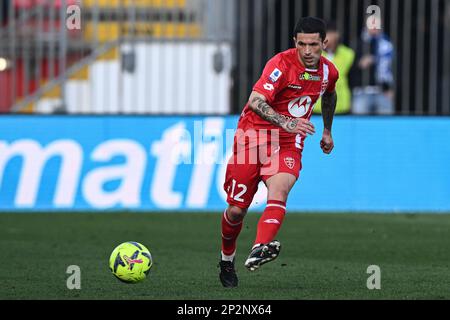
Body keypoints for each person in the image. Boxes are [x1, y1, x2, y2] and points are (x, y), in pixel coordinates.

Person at [218, 17, 339, 288]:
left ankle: (261, 247)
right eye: (302, 44)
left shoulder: (329, 71)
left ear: (324, 43)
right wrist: (287, 121)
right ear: (294, 43)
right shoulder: (280, 65)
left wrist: (327, 130)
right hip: (254, 135)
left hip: (288, 140)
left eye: (314, 45)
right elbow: (255, 100)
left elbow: (330, 95)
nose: (307, 51)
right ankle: (227, 259)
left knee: (280, 188)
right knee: (236, 211)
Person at [350, 16, 394, 115]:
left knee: (386, 125)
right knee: (359, 125)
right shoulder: (357, 44)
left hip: (383, 93)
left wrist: (391, 88)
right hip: (361, 92)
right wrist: (359, 64)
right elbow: (348, 69)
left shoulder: (387, 45)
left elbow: (393, 69)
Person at [314, 21, 355, 114]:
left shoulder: (348, 54)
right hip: (317, 106)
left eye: (330, 34)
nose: (327, 37)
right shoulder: (313, 54)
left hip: (341, 106)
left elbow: (353, 79)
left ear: (336, 35)